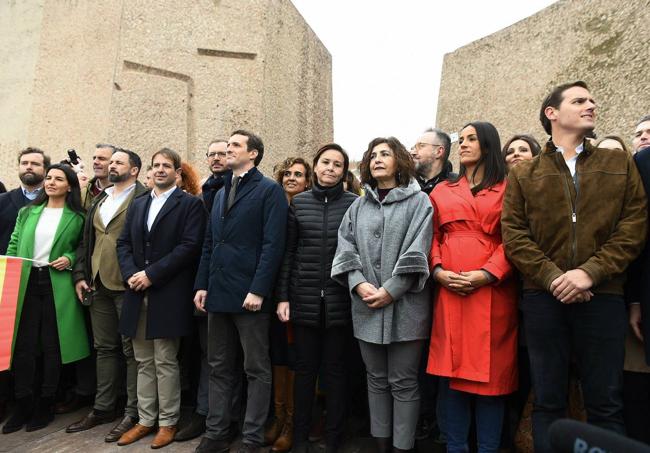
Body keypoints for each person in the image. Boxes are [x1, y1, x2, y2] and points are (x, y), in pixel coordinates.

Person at [501, 81, 647, 453]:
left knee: (606, 404)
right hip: (543, 299)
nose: (591, 105)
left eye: (593, 99)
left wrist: (589, 272)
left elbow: (634, 226)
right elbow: (515, 236)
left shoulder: (618, 164)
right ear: (552, 113)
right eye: (579, 100)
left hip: (603, 295)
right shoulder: (524, 174)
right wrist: (554, 278)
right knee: (548, 401)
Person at [332, 137, 433, 453]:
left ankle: (403, 447)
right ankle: (381, 445)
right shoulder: (357, 206)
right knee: (375, 378)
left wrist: (392, 290)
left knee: (403, 381)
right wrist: (358, 283)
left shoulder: (420, 203)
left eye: (385, 154)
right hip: (366, 305)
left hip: (406, 307)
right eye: (373, 155)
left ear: (399, 161)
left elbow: (419, 250)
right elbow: (345, 249)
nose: (377, 159)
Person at [194, 130, 288, 453]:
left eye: (235, 145)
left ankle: (251, 437)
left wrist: (259, 290)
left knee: (256, 369)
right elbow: (210, 242)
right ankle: (217, 433)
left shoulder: (269, 191)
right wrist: (202, 285)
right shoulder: (221, 192)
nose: (227, 149)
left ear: (254, 154)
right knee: (219, 366)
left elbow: (274, 246)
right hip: (218, 293)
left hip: (250, 297)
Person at [427, 122, 517, 453]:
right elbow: (431, 236)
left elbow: (516, 238)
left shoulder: (510, 187)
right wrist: (436, 270)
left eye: (471, 139)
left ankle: (489, 448)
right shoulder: (442, 190)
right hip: (450, 290)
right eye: (460, 139)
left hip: (492, 291)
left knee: (491, 377)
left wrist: (489, 273)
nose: (462, 144)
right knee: (452, 375)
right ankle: (455, 448)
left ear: (488, 145)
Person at [115, 148, 206, 449]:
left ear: (178, 172)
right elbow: (124, 243)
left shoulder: (190, 205)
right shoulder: (139, 204)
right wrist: (131, 273)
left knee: (165, 360)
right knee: (142, 361)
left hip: (168, 292)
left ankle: (167, 423)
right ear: (149, 171)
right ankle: (145, 420)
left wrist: (152, 274)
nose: (160, 170)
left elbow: (189, 247)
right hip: (136, 290)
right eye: (156, 165)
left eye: (167, 166)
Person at [275, 145, 356, 453]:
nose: (330, 168)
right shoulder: (299, 204)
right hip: (303, 299)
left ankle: (335, 437)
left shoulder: (353, 204)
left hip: (339, 300)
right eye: (325, 162)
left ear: (343, 171)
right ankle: (300, 438)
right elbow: (289, 253)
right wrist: (283, 297)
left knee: (336, 371)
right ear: (316, 167)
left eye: (337, 164)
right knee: (305, 371)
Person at [64, 149, 148, 441]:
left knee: (131, 351)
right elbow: (86, 241)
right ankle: (102, 408)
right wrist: (80, 275)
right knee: (104, 348)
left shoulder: (144, 198)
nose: (111, 166)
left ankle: (132, 411)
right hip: (96, 284)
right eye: (110, 162)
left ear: (134, 170)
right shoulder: (100, 198)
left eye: (118, 162)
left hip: (128, 285)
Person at [2, 164, 89, 434]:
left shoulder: (77, 217)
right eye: (49, 177)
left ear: (70, 186)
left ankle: (46, 403)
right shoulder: (27, 212)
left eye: (58, 179)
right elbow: (14, 243)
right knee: (24, 346)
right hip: (26, 281)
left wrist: (71, 259)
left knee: (53, 346)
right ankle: (23, 403)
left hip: (57, 284)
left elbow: (82, 248)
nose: (51, 182)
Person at [265, 156, 312, 452]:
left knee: (296, 357)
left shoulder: (307, 208)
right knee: (277, 355)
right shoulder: (274, 206)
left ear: (308, 181)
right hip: (271, 292)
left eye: (298, 174)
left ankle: (292, 423)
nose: (291, 178)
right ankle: (278, 417)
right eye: (287, 173)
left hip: (298, 294)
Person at [409, 128, 455, 194]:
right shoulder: (404, 183)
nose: (412, 152)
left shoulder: (458, 186)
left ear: (439, 152)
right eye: (414, 147)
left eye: (421, 146)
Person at [81, 144, 114, 209]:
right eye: (94, 158)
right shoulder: (83, 194)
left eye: (102, 159)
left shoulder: (124, 194)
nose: (95, 162)